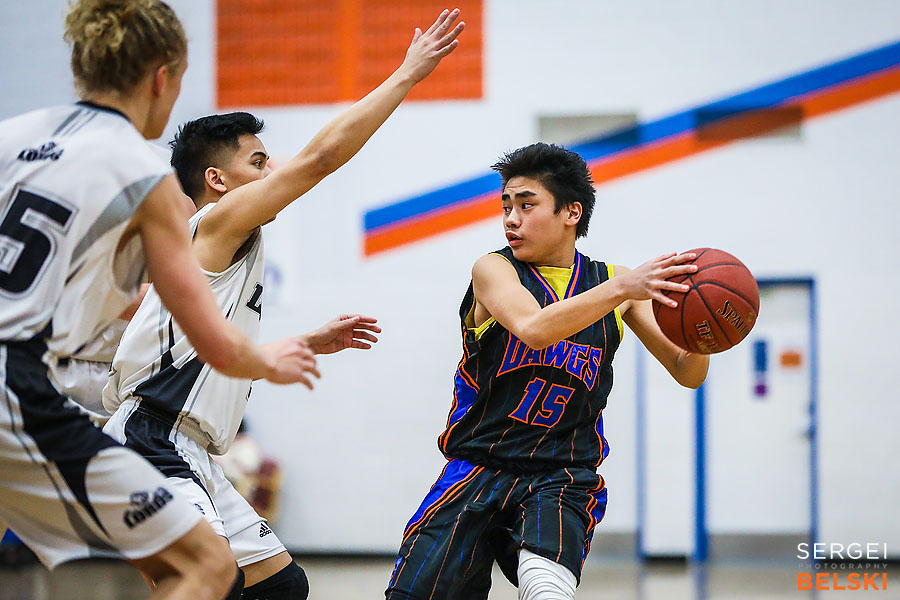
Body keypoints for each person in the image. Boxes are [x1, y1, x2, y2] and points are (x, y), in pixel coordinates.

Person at [102, 9, 466, 599]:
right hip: (151, 438)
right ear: (217, 180)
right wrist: (407, 74)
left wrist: (303, 344)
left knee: (280, 586)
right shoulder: (217, 221)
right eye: (258, 162)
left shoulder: (217, 249)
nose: (274, 169)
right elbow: (319, 160)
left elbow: (197, 353)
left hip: (185, 445)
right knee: (205, 577)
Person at [0, 1, 319, 599]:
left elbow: (133, 298)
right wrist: (265, 360)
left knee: (265, 581)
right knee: (204, 567)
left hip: (72, 392)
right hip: (33, 390)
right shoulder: (143, 176)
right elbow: (209, 334)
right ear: (161, 77)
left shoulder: (13, 137)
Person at [385, 143, 710, 600]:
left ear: (571, 212)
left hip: (561, 472)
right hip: (478, 465)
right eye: (506, 206)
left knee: (547, 590)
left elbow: (686, 371)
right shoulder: (495, 270)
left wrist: (705, 336)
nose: (510, 219)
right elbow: (535, 329)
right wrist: (622, 287)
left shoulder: (615, 284)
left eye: (526, 204)